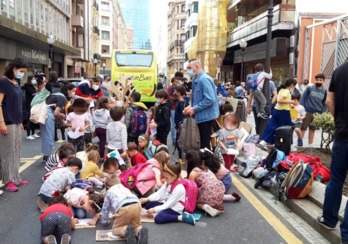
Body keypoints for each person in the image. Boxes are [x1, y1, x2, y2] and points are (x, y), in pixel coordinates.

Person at [317, 62, 348, 242]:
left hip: (342, 135)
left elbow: (329, 101)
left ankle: (329, 219)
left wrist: (339, 121)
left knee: (336, 179)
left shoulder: (339, 70)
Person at [0, 58, 29, 193]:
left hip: (16, 122)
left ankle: (16, 177)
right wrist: (1, 122)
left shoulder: (15, 83)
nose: (22, 73)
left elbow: (17, 104)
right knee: (7, 152)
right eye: (21, 71)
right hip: (7, 122)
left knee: (17, 150)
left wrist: (21, 122)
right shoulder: (3, 82)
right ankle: (8, 180)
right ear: (14, 68)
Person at [140, 161, 196, 225]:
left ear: (174, 177)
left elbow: (168, 205)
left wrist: (154, 209)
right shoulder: (168, 182)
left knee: (159, 218)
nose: (165, 179)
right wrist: (147, 199)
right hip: (167, 203)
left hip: (175, 209)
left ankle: (181, 217)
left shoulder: (179, 189)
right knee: (148, 204)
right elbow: (160, 193)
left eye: (166, 177)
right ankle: (161, 212)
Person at [101, 175, 149, 243]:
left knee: (116, 229)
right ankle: (140, 231)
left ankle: (126, 231)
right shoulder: (124, 187)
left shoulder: (109, 191)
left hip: (124, 207)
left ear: (107, 186)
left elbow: (105, 208)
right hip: (137, 204)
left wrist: (104, 221)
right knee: (136, 225)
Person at [183, 59, 219, 150]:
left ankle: (206, 163)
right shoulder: (197, 79)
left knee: (204, 145)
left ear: (197, 67)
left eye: (189, 67)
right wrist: (190, 106)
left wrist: (194, 109)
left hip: (205, 118)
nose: (188, 70)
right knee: (201, 144)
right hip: (201, 117)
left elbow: (210, 99)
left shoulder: (204, 79)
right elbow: (197, 98)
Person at [41, 84, 75, 162]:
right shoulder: (62, 98)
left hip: (42, 113)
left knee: (45, 135)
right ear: (68, 90)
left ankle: (45, 154)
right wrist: (63, 116)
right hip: (48, 114)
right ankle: (48, 156)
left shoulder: (56, 94)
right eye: (73, 91)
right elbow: (56, 113)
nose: (73, 93)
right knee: (49, 135)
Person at [186, 150, 225, 217]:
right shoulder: (206, 169)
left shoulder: (193, 173)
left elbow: (191, 190)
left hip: (208, 196)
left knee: (195, 202)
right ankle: (214, 204)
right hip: (220, 194)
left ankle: (204, 206)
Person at [259, 78, 295, 147]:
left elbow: (281, 100)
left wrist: (290, 105)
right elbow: (280, 101)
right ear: (291, 85)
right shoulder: (287, 91)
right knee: (286, 128)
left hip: (276, 110)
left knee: (272, 126)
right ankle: (286, 143)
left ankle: (265, 140)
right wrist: (291, 102)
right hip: (284, 112)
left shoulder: (281, 90)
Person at [300, 73, 328, 147]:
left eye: (320, 80)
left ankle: (310, 145)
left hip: (317, 114)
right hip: (307, 112)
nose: (318, 81)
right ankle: (299, 143)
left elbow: (325, 103)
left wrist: (323, 113)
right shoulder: (309, 88)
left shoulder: (325, 92)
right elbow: (303, 98)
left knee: (312, 129)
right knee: (303, 128)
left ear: (324, 81)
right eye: (317, 80)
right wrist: (302, 110)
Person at [22, 75, 39, 140]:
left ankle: (33, 133)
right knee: (29, 119)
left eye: (34, 79)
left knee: (33, 119)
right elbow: (34, 93)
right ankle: (28, 134)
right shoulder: (28, 86)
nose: (34, 80)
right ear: (30, 80)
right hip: (29, 104)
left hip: (34, 104)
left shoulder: (32, 86)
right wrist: (36, 92)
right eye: (33, 79)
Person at [174, 85, 188, 163]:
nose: (174, 93)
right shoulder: (182, 101)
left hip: (180, 125)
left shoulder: (181, 102)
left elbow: (183, 114)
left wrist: (179, 124)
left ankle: (181, 158)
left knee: (179, 141)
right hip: (179, 124)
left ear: (179, 93)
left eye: (176, 91)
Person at [167, 77, 180, 145]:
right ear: (172, 82)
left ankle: (178, 138)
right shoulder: (170, 88)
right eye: (175, 82)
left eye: (177, 81)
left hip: (179, 107)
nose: (176, 83)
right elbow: (168, 97)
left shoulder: (179, 87)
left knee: (179, 123)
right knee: (173, 124)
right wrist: (175, 98)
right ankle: (174, 139)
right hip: (173, 107)